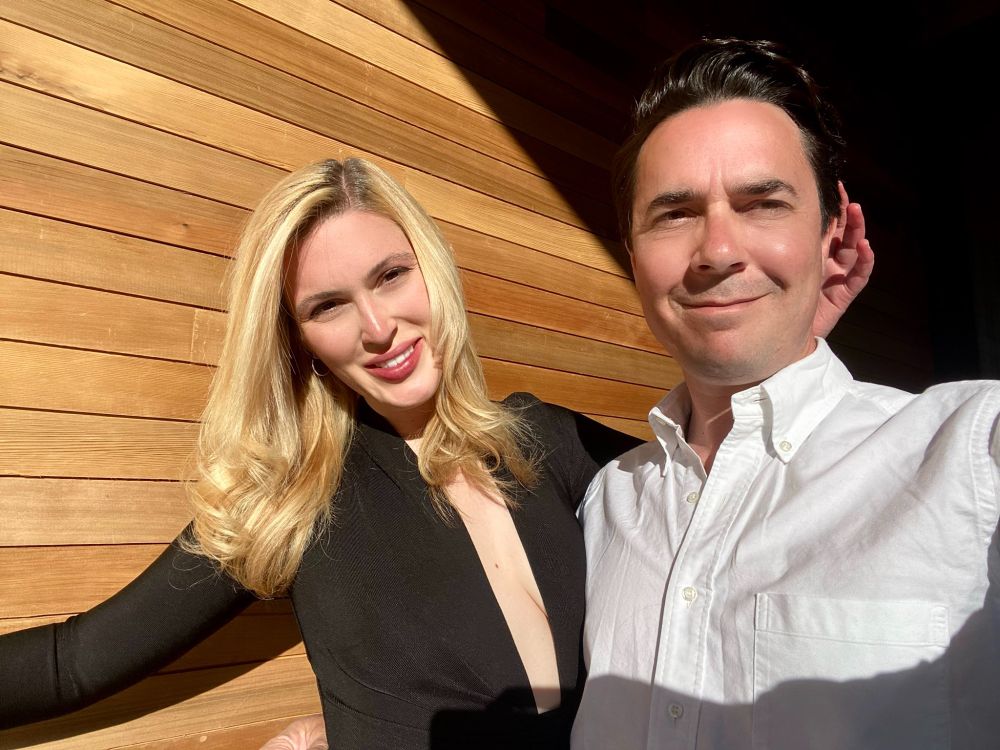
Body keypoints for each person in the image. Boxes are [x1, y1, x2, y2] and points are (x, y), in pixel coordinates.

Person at [0, 155, 866, 747]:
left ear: (430, 269)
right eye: (328, 306)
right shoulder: (294, 497)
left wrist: (788, 342)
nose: (378, 327)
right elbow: (72, 662)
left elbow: (722, 484)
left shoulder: (546, 439)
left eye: (390, 276)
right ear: (299, 340)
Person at [573, 38, 999, 750]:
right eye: (674, 214)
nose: (717, 251)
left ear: (831, 235)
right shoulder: (607, 501)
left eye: (763, 204)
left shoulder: (967, 452)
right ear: (633, 256)